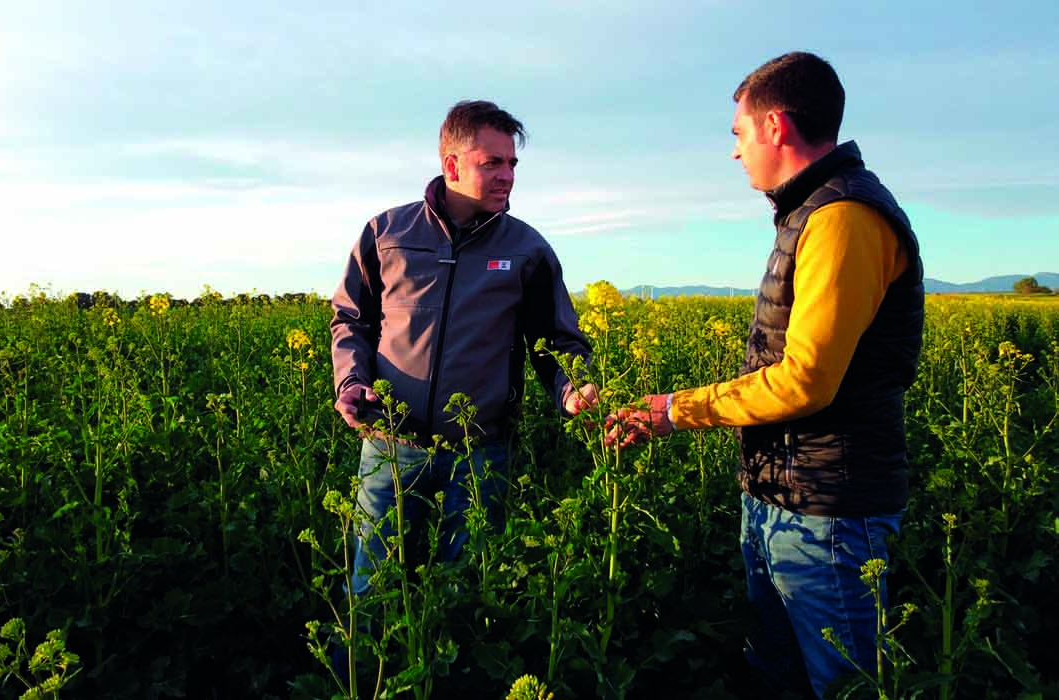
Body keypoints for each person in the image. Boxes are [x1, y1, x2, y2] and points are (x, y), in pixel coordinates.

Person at [606, 52, 924, 698]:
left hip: (828, 510)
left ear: (774, 127)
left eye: (737, 133)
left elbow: (806, 379)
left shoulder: (843, 218)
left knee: (844, 684)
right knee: (776, 675)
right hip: (786, 497)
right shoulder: (810, 213)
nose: (734, 152)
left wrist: (673, 410)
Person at [331, 99, 598, 602]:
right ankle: (363, 679)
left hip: (479, 454)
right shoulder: (387, 234)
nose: (507, 176)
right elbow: (351, 318)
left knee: (468, 594)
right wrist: (350, 382)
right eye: (491, 162)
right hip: (390, 446)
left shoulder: (528, 249)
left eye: (512, 163)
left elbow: (557, 342)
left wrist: (570, 388)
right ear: (452, 165)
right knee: (372, 590)